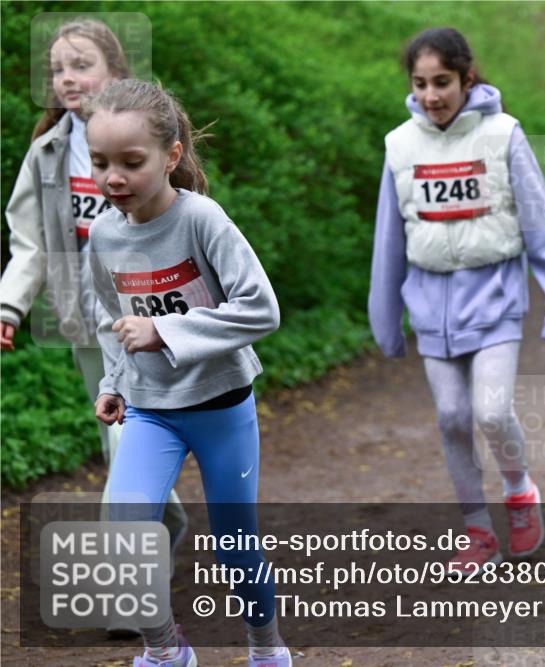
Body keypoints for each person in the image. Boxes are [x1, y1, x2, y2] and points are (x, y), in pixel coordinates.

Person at [86, 79, 290, 667]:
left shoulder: (201, 220)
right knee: (124, 531)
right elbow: (110, 319)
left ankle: (266, 648)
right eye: (100, 163)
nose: (113, 178)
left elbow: (261, 309)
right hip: (150, 409)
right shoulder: (103, 235)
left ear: (171, 155)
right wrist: (113, 382)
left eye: (131, 162)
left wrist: (166, 331)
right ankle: (165, 650)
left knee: (235, 548)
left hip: (221, 405)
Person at [368, 27, 545, 574]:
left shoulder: (503, 134)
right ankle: (478, 531)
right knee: (452, 416)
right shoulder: (400, 145)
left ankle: (519, 489)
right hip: (430, 304)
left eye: (442, 82)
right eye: (420, 84)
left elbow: (539, 219)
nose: (431, 95)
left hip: (495, 297)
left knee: (490, 409)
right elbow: (389, 240)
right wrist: (385, 318)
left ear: (466, 78)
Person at [0, 19, 188, 607]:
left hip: (148, 320)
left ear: (116, 71)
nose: (66, 78)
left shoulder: (150, 138)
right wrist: (9, 305)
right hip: (86, 325)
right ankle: (167, 529)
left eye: (81, 65)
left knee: (127, 446)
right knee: (125, 443)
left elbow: (189, 226)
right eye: (57, 68)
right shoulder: (47, 153)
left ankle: (127, 589)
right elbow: (30, 243)